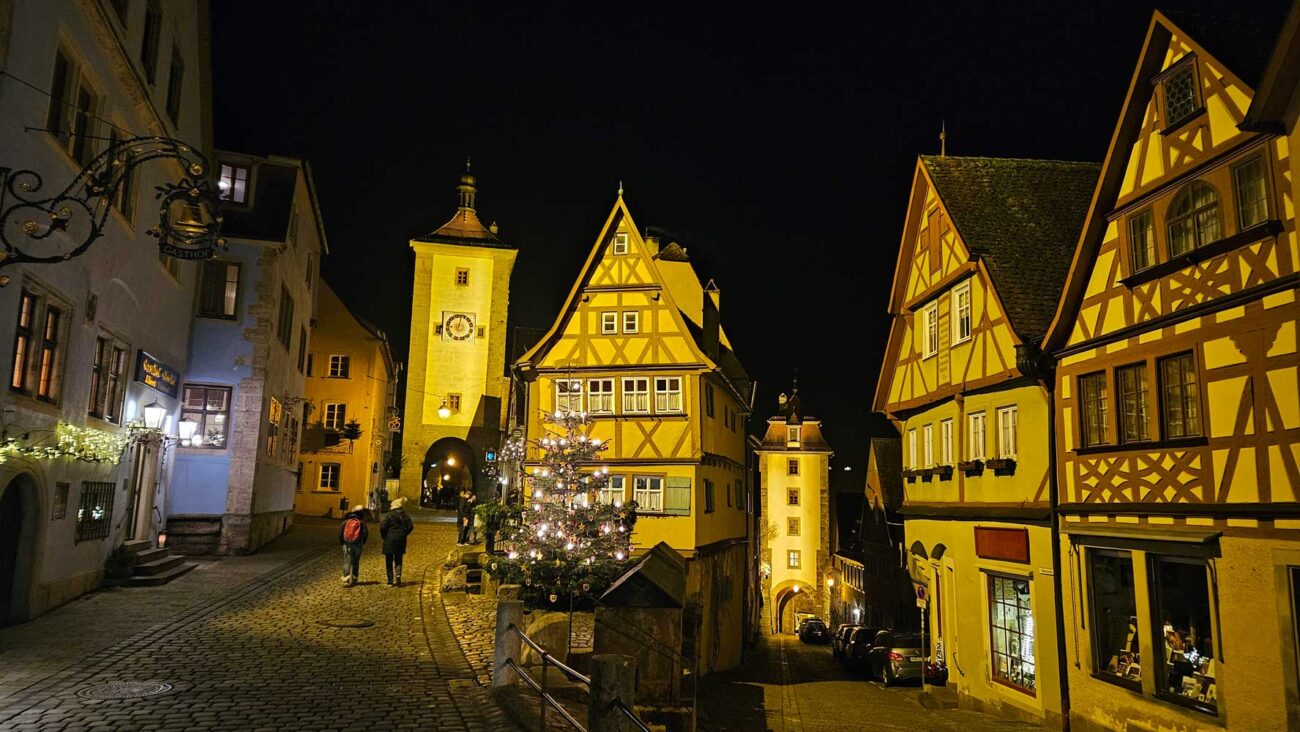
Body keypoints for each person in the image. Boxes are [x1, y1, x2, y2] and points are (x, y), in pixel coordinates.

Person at [380, 497, 415, 587]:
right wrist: (404, 533)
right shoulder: (405, 515)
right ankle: (398, 575)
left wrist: (384, 536)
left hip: (389, 539)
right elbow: (410, 526)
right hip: (401, 539)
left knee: (389, 560)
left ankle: (390, 580)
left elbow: (383, 527)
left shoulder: (389, 515)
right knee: (398, 559)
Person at [338, 505, 368, 586]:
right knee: (355, 562)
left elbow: (340, 533)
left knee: (347, 562)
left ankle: (346, 580)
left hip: (347, 543)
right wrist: (362, 542)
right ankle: (354, 579)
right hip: (357, 544)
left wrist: (342, 542)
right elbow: (365, 533)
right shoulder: (361, 522)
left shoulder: (346, 521)